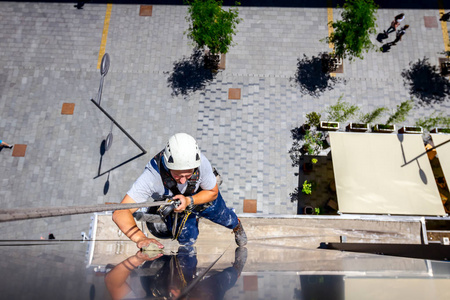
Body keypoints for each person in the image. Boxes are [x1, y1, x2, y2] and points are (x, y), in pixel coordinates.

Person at [112, 133, 247, 249]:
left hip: (200, 195)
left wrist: (189, 200)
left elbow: (212, 192)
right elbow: (120, 212)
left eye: (188, 175)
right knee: (187, 238)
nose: (182, 181)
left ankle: (237, 226)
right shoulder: (152, 177)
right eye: (177, 175)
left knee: (225, 217)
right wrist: (140, 238)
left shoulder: (201, 164)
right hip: (174, 205)